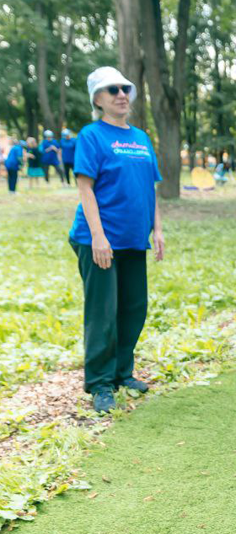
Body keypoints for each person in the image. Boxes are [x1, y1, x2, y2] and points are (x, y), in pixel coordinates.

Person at [68, 66, 165, 414]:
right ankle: (99, 383)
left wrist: (157, 229)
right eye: (113, 90)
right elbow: (85, 188)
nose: (122, 94)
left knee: (133, 308)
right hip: (98, 239)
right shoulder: (91, 136)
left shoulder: (141, 138)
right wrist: (98, 236)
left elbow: (150, 188)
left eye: (125, 88)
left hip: (132, 240)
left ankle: (123, 372)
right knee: (102, 313)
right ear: (98, 98)